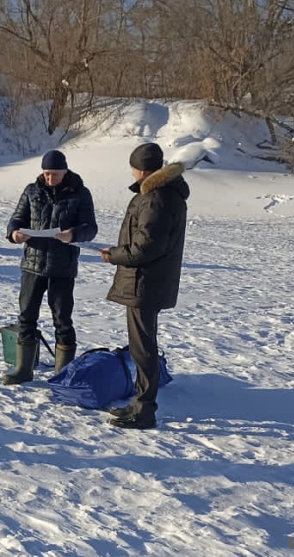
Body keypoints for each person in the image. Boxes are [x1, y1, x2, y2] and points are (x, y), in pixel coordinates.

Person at [99, 142, 189, 429]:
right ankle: (140, 404)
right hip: (148, 282)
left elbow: (145, 248)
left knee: (143, 349)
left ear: (140, 169)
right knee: (143, 346)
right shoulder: (162, 194)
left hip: (144, 283)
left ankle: (144, 409)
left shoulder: (154, 198)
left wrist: (113, 255)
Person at [4, 149, 98, 385]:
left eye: (54, 174)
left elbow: (91, 227)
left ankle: (63, 375)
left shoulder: (80, 193)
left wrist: (73, 234)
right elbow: (17, 218)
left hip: (62, 267)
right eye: (46, 173)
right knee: (26, 316)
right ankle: (23, 369)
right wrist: (14, 233)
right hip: (32, 264)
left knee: (62, 320)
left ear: (65, 171)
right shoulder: (32, 191)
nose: (49, 178)